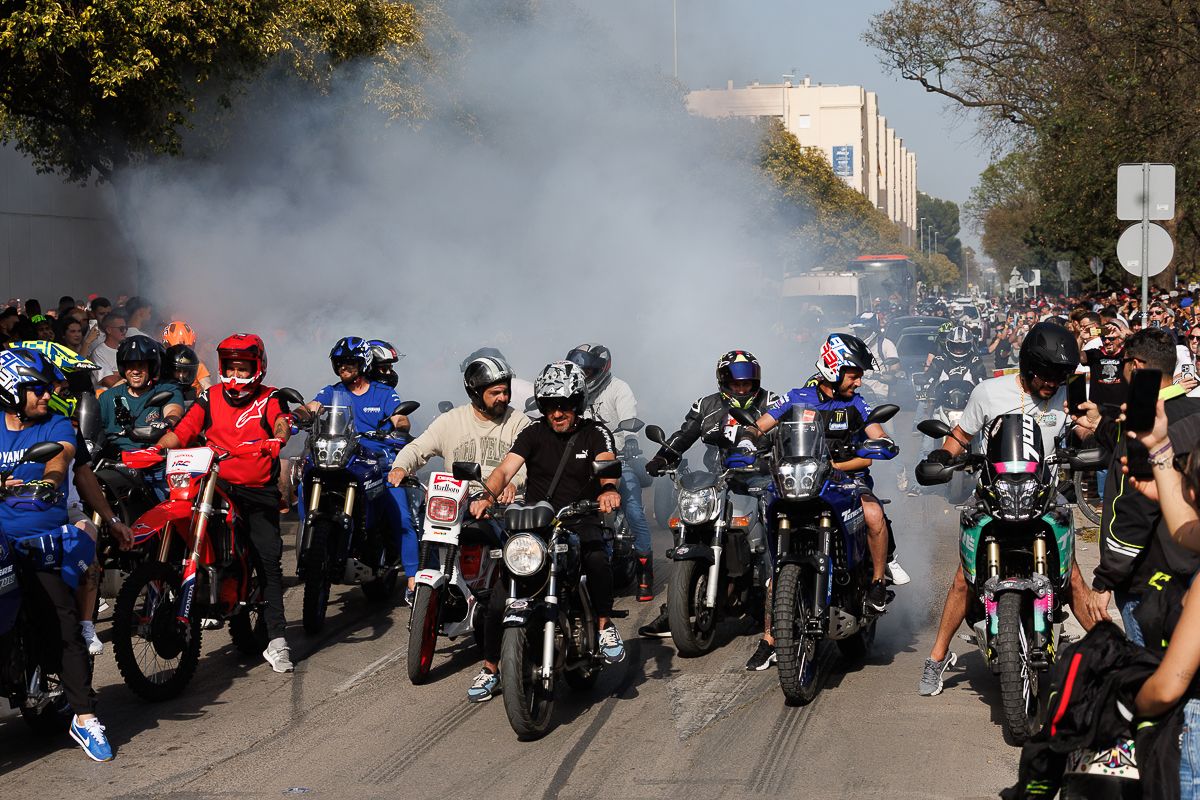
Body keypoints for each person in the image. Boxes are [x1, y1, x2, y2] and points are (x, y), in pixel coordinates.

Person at [915, 322, 1087, 697]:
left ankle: (1114, 659)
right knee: (963, 578)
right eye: (1046, 375)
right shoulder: (988, 392)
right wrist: (943, 456)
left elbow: (1082, 430)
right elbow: (960, 436)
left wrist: (1092, 433)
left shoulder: (1068, 395)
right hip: (991, 494)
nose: (1052, 384)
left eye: (1060, 377)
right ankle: (937, 656)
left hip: (1045, 494)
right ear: (1028, 366)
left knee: (1073, 577)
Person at [465, 361, 625, 703]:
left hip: (579, 518)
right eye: (551, 406)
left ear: (578, 403)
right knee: (499, 596)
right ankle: (491, 668)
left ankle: (604, 624)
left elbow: (607, 464)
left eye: (565, 405)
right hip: (537, 525)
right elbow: (505, 470)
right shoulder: (533, 433)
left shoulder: (595, 433)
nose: (558, 413)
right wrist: (486, 496)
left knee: (597, 559)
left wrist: (608, 490)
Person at [387, 354, 531, 700]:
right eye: (495, 393)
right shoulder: (451, 422)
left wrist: (513, 484)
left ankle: (511, 614)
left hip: (504, 507)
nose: (503, 398)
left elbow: (528, 462)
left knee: (516, 561)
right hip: (457, 504)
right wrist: (401, 467)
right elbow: (419, 448)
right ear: (475, 393)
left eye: (505, 391)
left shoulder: (519, 423)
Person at [154, 333, 296, 673]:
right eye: (231, 368)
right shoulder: (210, 396)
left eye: (242, 368)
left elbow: (282, 421)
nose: (235, 375)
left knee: (268, 559)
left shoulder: (270, 397)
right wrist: (157, 449)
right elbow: (183, 431)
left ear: (257, 368)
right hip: (215, 483)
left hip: (257, 489)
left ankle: (277, 638)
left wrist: (277, 439)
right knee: (182, 522)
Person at [0, 348, 113, 760]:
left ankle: (84, 717)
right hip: (1, 543)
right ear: (11, 391)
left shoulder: (57, 423)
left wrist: (48, 483)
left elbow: (61, 458)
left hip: (39, 543)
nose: (47, 395)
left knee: (65, 627)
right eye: (37, 389)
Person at [642, 350, 782, 670]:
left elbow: (787, 438)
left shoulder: (772, 402)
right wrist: (664, 457)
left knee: (770, 537)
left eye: (748, 384)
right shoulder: (706, 406)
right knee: (688, 524)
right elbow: (684, 435)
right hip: (720, 479)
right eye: (736, 384)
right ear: (723, 382)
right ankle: (675, 607)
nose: (742, 389)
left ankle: (777, 600)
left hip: (762, 481)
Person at [751, 334, 899, 618]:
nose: (859, 382)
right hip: (802, 479)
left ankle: (878, 582)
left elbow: (877, 432)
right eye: (854, 376)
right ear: (834, 370)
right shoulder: (797, 398)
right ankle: (773, 614)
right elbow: (760, 426)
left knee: (873, 514)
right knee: (764, 507)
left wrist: (883, 442)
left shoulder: (857, 404)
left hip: (847, 480)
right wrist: (747, 439)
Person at [1071, 328, 1200, 641]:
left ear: (1137, 365)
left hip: (1150, 581)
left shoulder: (1146, 426)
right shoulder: (1194, 413)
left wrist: (1105, 581)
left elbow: (1131, 510)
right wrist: (1099, 423)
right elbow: (1123, 440)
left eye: (1125, 362)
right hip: (1190, 567)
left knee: (1152, 669)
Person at [298, 337, 418, 600]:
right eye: (339, 363)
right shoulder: (332, 391)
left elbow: (400, 417)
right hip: (342, 457)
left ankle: (413, 579)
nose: (344, 367)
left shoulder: (383, 393)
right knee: (302, 481)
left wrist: (399, 427)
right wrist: (299, 415)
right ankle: (313, 539)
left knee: (403, 518)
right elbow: (312, 407)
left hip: (377, 461)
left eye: (350, 362)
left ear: (363, 363)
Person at [565, 342, 654, 601]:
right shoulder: (572, 390)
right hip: (582, 461)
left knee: (634, 511)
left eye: (587, 372)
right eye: (579, 372)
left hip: (616, 460)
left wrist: (631, 440)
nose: (583, 377)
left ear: (601, 369)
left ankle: (645, 574)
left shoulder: (619, 388)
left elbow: (628, 421)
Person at [98, 335, 184, 458]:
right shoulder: (107, 397)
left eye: (141, 365)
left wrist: (166, 423)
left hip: (153, 460)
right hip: (114, 463)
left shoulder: (167, 390)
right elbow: (93, 432)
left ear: (151, 367)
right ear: (123, 368)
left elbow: (174, 412)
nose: (135, 371)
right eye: (130, 366)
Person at [162, 320, 212, 391]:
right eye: (177, 349)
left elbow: (208, 389)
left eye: (187, 348)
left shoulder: (198, 366)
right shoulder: (161, 364)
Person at [88, 310, 127, 389]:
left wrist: (116, 373)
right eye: (121, 328)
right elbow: (110, 381)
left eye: (126, 328)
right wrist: (128, 374)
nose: (125, 331)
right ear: (109, 330)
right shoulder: (99, 353)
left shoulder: (126, 349)